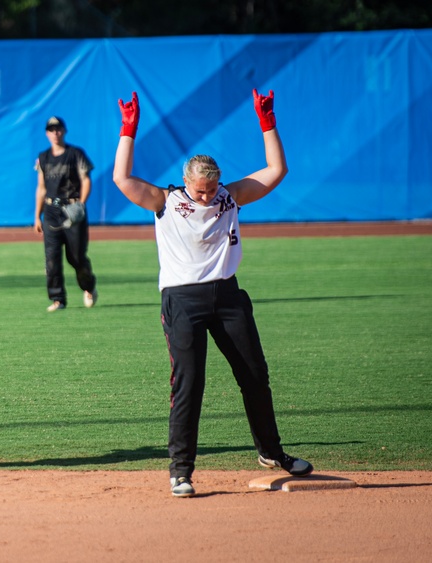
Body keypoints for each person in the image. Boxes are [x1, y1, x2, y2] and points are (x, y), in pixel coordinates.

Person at [111, 90, 312, 497]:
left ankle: (272, 453)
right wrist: (128, 130)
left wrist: (267, 122)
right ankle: (181, 471)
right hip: (183, 301)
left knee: (255, 375)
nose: (206, 195)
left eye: (211, 187)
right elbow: (122, 179)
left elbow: (276, 170)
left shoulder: (229, 197)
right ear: (187, 181)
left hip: (228, 297)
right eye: (200, 189)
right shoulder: (165, 201)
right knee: (189, 383)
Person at [34, 116, 99, 312]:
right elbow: (41, 187)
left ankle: (88, 287)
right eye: (51, 130)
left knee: (76, 257)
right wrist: (37, 216)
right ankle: (57, 299)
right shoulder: (43, 158)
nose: (55, 133)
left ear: (64, 130)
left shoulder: (75, 154)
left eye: (58, 129)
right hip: (51, 211)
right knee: (51, 258)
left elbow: (85, 180)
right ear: (46, 133)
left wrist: (81, 204)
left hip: (72, 210)